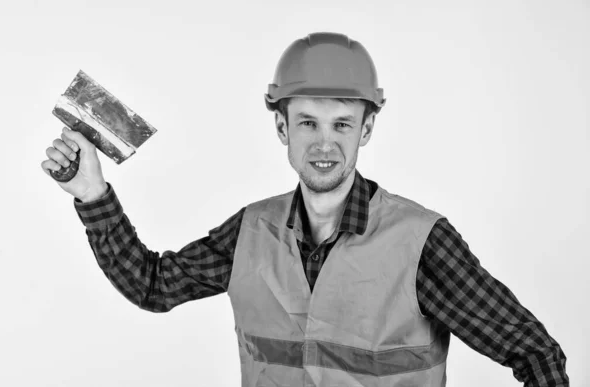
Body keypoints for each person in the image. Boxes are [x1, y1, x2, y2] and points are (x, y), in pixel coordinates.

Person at [41, 32, 568, 387]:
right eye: (308, 122)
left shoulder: (421, 242)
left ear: (365, 130)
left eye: (341, 124)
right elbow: (151, 286)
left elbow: (536, 355)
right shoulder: (249, 231)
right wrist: (92, 193)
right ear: (281, 128)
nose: (324, 143)